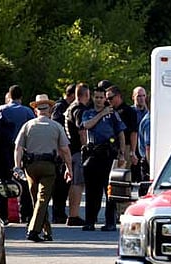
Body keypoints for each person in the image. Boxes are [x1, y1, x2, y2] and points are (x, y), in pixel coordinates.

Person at [13, 94, 73, 242]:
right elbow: (65, 150)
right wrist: (69, 168)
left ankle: (47, 231)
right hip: (48, 166)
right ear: (50, 109)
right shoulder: (56, 126)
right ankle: (33, 230)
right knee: (43, 199)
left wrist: (17, 166)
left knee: (37, 200)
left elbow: (18, 148)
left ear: (35, 110)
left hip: (31, 167)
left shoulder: (27, 125)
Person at [81, 86, 126, 231]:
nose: (99, 100)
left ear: (105, 99)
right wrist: (101, 114)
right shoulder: (88, 113)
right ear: (93, 98)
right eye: (97, 97)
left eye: (102, 98)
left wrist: (122, 153)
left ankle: (110, 222)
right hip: (93, 154)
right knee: (92, 191)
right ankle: (90, 221)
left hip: (108, 154)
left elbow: (120, 133)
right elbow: (87, 125)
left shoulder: (112, 114)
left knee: (109, 191)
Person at [0, 85, 37, 222]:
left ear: (9, 95)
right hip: (23, 149)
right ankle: (25, 212)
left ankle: (5, 213)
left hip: (4, 149)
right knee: (24, 180)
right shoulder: (27, 111)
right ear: (21, 97)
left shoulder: (2, 110)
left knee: (5, 179)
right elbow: (33, 129)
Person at [64, 83, 90, 226]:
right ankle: (73, 215)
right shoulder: (79, 110)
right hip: (77, 151)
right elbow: (82, 129)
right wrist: (86, 146)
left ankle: (73, 214)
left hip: (71, 150)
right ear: (86, 95)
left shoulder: (70, 108)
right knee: (77, 183)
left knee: (76, 183)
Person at [50, 83, 76, 224]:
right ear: (71, 95)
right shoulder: (60, 107)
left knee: (63, 185)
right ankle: (58, 213)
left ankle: (59, 212)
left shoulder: (63, 107)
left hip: (62, 148)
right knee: (60, 185)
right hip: (59, 150)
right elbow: (57, 126)